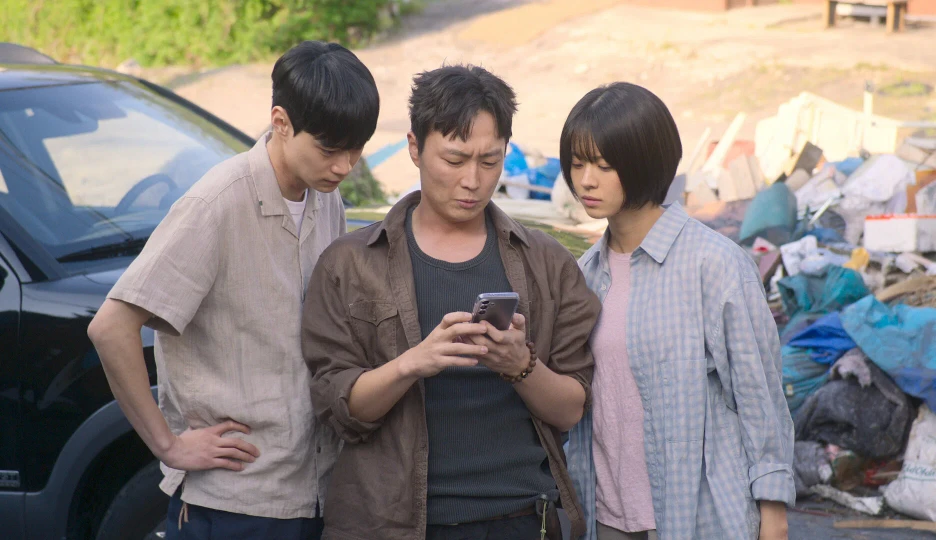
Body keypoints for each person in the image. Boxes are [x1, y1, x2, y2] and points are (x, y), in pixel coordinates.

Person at [86, 41, 379, 540]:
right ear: (281, 122)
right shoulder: (215, 204)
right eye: (330, 150)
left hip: (314, 491)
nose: (344, 166)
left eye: (356, 150)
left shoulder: (326, 200)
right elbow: (111, 328)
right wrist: (169, 446)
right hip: (233, 500)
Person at [302, 64, 601, 540]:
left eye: (490, 161)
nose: (473, 181)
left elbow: (571, 410)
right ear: (415, 148)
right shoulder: (350, 264)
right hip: (392, 524)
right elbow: (338, 410)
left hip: (520, 517)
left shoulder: (545, 262)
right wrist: (412, 364)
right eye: (455, 159)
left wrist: (520, 366)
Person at [563, 83, 795, 540]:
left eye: (604, 165)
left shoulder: (714, 265)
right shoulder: (583, 275)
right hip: (606, 518)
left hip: (699, 517)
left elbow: (759, 395)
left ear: (645, 162)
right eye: (577, 163)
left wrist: (774, 512)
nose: (586, 180)